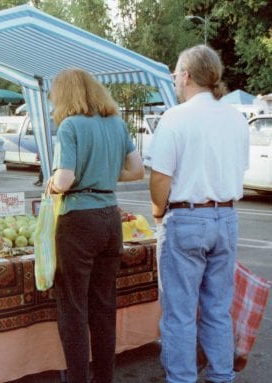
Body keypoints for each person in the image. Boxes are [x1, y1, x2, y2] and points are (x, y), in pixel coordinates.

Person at [149, 45, 249, 383]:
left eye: (176, 73)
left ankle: (182, 378)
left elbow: (160, 177)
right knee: (217, 309)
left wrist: (158, 213)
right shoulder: (236, 117)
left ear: (187, 75)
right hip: (227, 217)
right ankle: (222, 376)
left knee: (179, 313)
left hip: (187, 218)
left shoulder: (176, 117)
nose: (174, 79)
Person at [48, 68, 144, 383]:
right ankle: (104, 378)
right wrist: (103, 174)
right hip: (110, 218)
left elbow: (65, 179)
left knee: (73, 307)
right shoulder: (116, 123)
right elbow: (136, 170)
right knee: (103, 305)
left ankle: (77, 378)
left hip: (78, 220)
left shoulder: (69, 126)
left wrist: (51, 184)